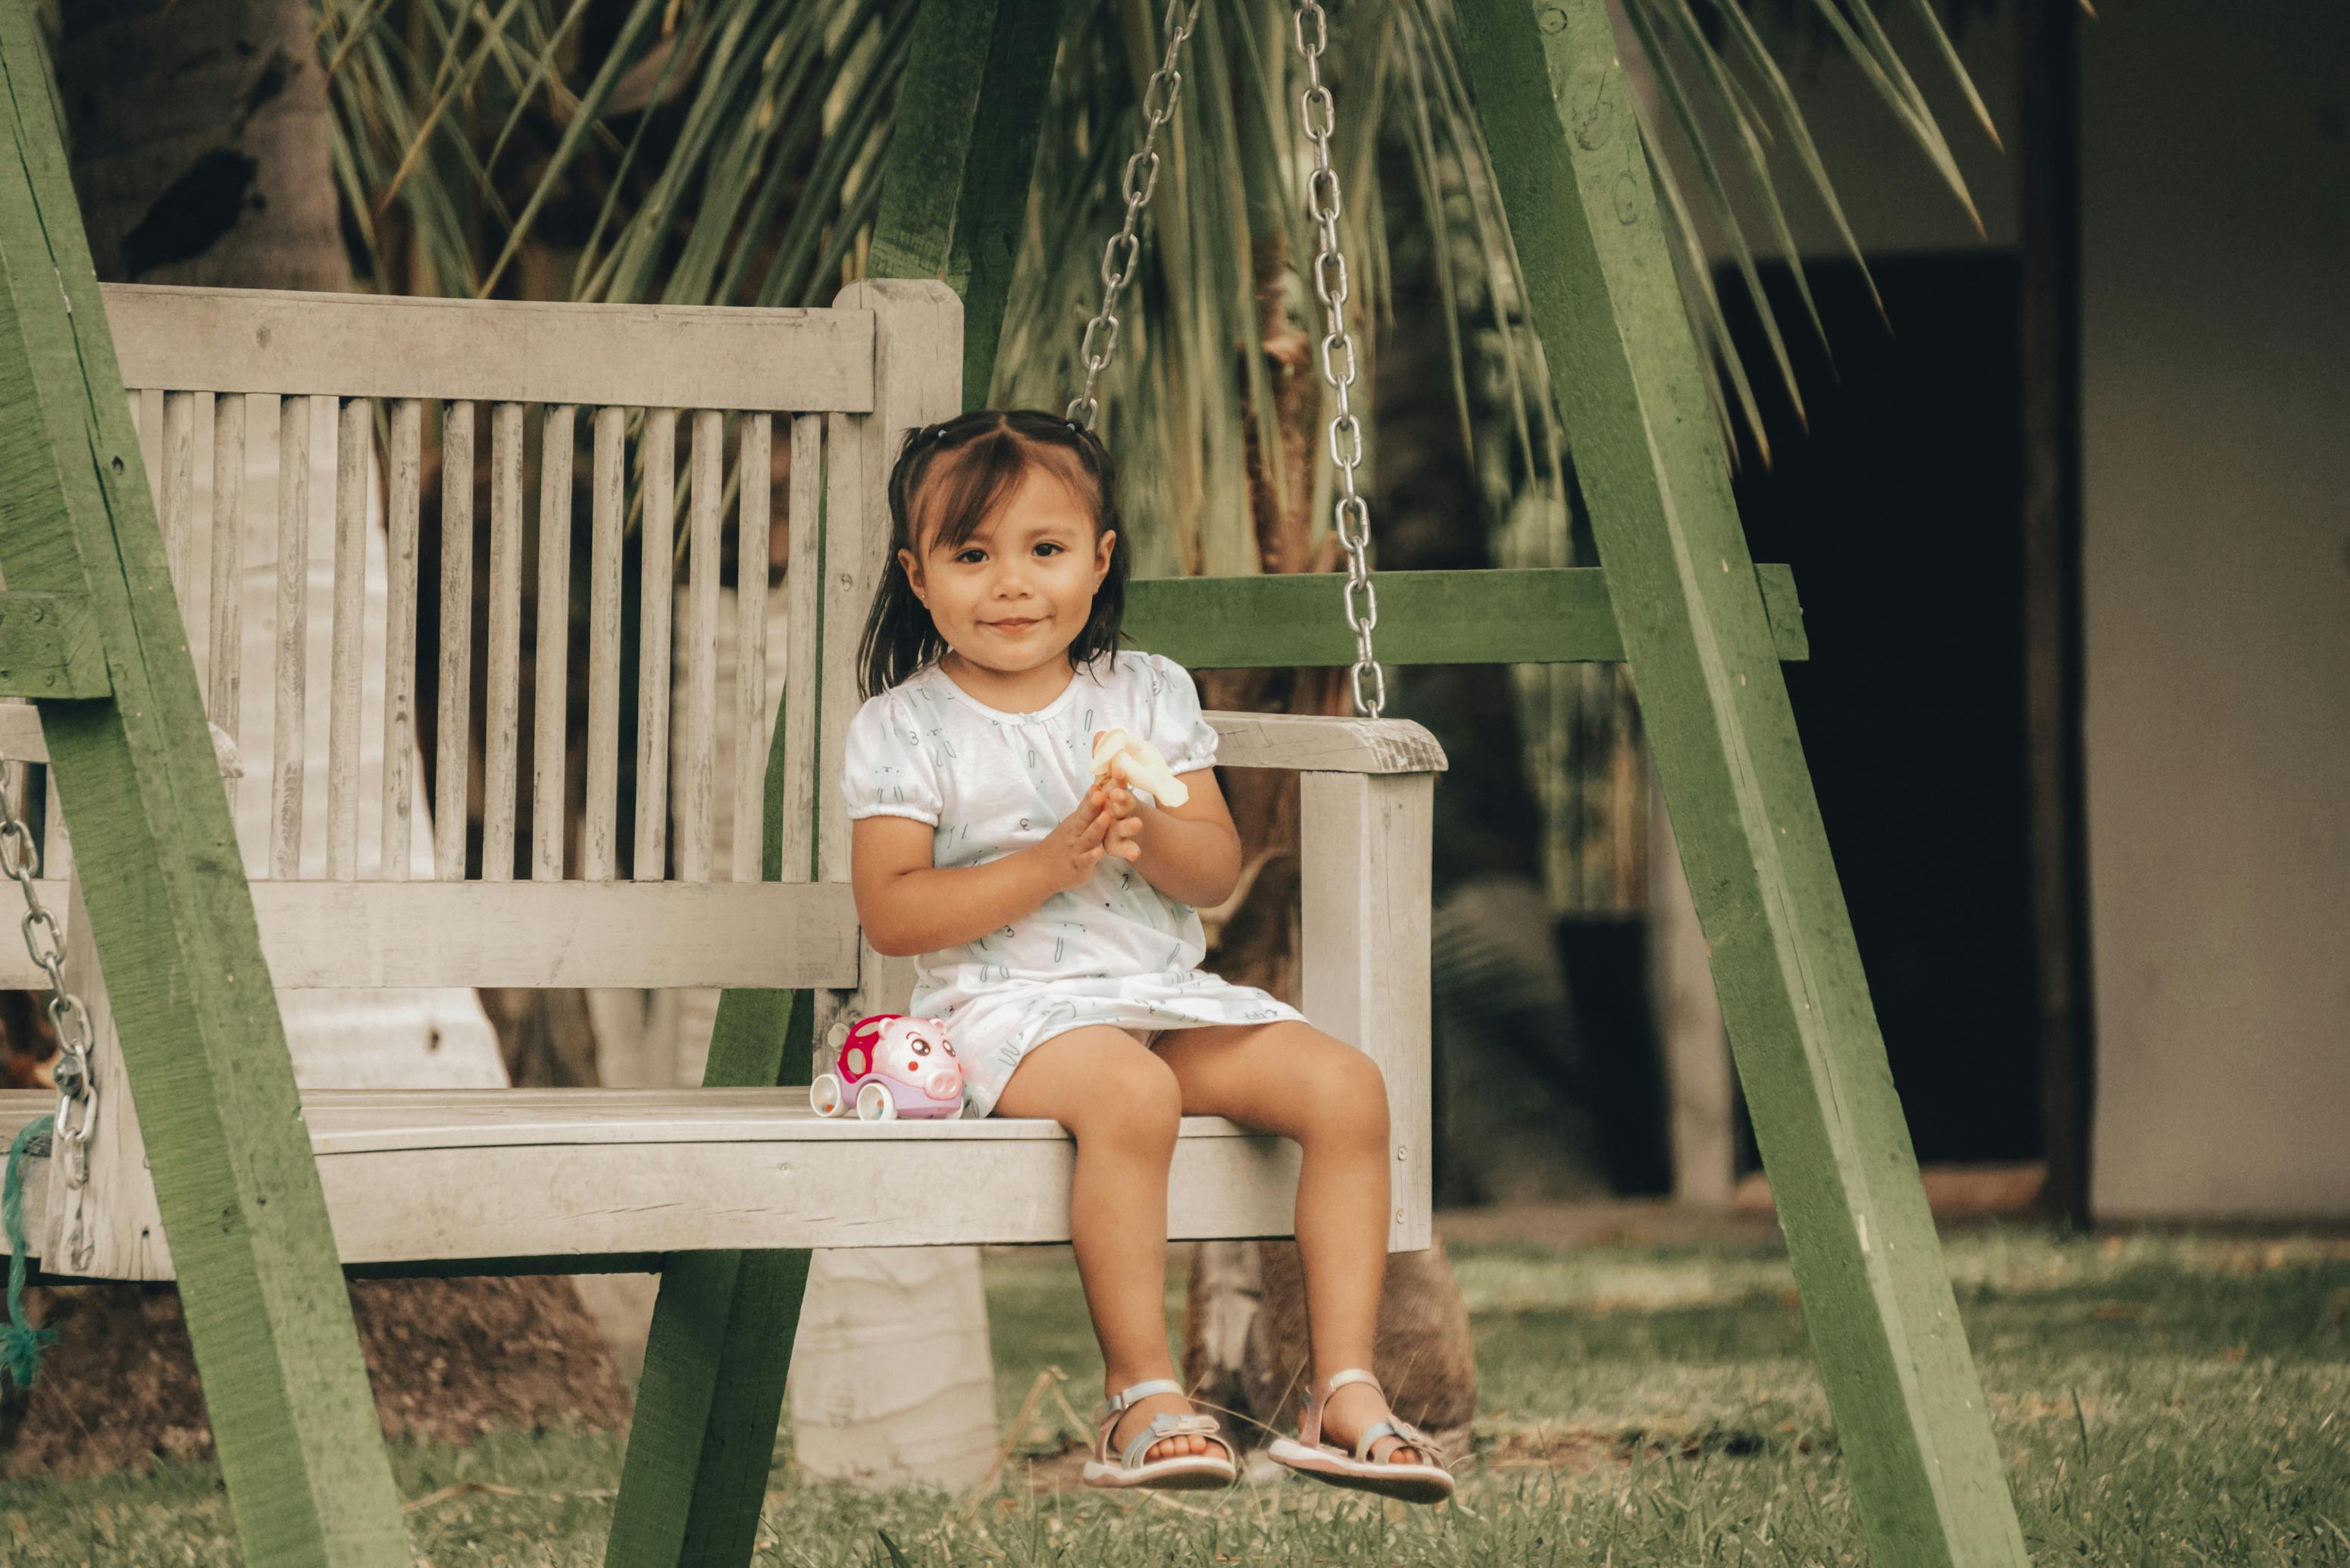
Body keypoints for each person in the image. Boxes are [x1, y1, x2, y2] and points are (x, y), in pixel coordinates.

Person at [839, 409, 1453, 1502]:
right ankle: (1140, 1396)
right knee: (1129, 1093)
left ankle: (1341, 1392)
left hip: (1162, 995)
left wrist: (1147, 831)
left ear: (1099, 557)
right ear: (917, 576)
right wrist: (1047, 863)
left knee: (1344, 1085)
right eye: (970, 556)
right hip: (1004, 1010)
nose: (1012, 584)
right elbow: (892, 913)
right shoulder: (906, 725)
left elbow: (1211, 868)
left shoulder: (1144, 692)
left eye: (1044, 549)